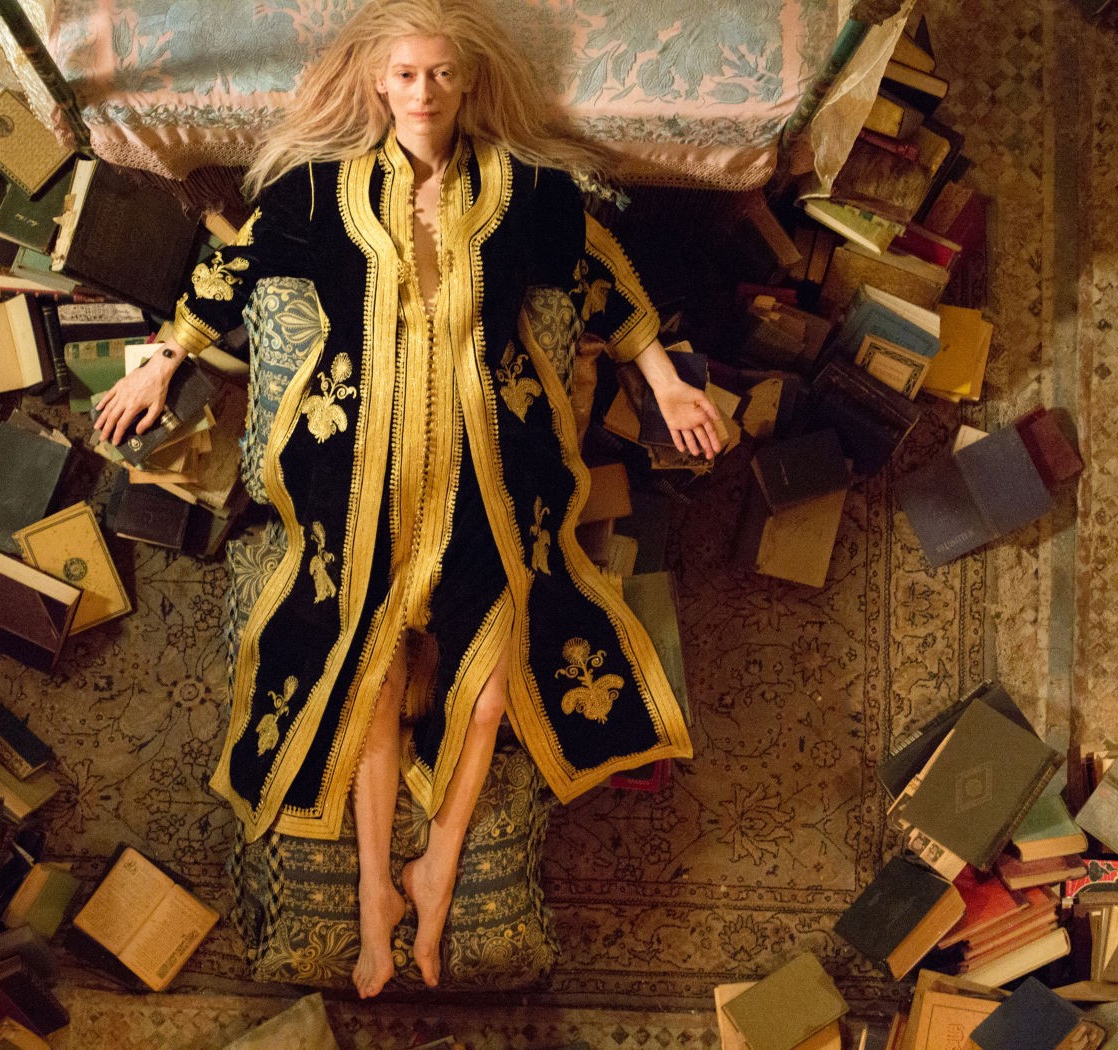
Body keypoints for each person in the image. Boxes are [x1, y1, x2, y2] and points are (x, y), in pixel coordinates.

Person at [93, 0, 721, 999]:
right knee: (369, 674)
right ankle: (375, 893)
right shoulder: (317, 190)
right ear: (375, 84)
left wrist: (668, 384)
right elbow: (233, 264)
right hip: (356, 470)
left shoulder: (526, 192)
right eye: (403, 74)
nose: (422, 92)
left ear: (466, 83)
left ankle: (437, 868)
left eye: (438, 74)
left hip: (489, 468)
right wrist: (162, 363)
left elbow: (600, 274)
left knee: (488, 694)